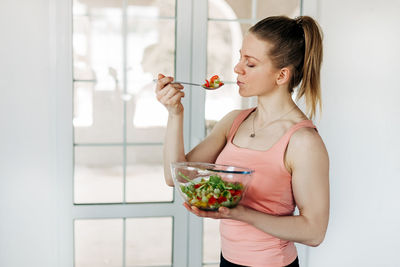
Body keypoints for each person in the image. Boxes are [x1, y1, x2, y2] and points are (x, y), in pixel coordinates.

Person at [155, 15, 329, 267]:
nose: (237, 68)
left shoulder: (303, 141)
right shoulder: (234, 121)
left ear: (281, 76)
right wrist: (175, 113)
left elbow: (314, 232)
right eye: (240, 58)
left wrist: (239, 213)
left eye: (250, 64)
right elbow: (176, 177)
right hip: (228, 260)